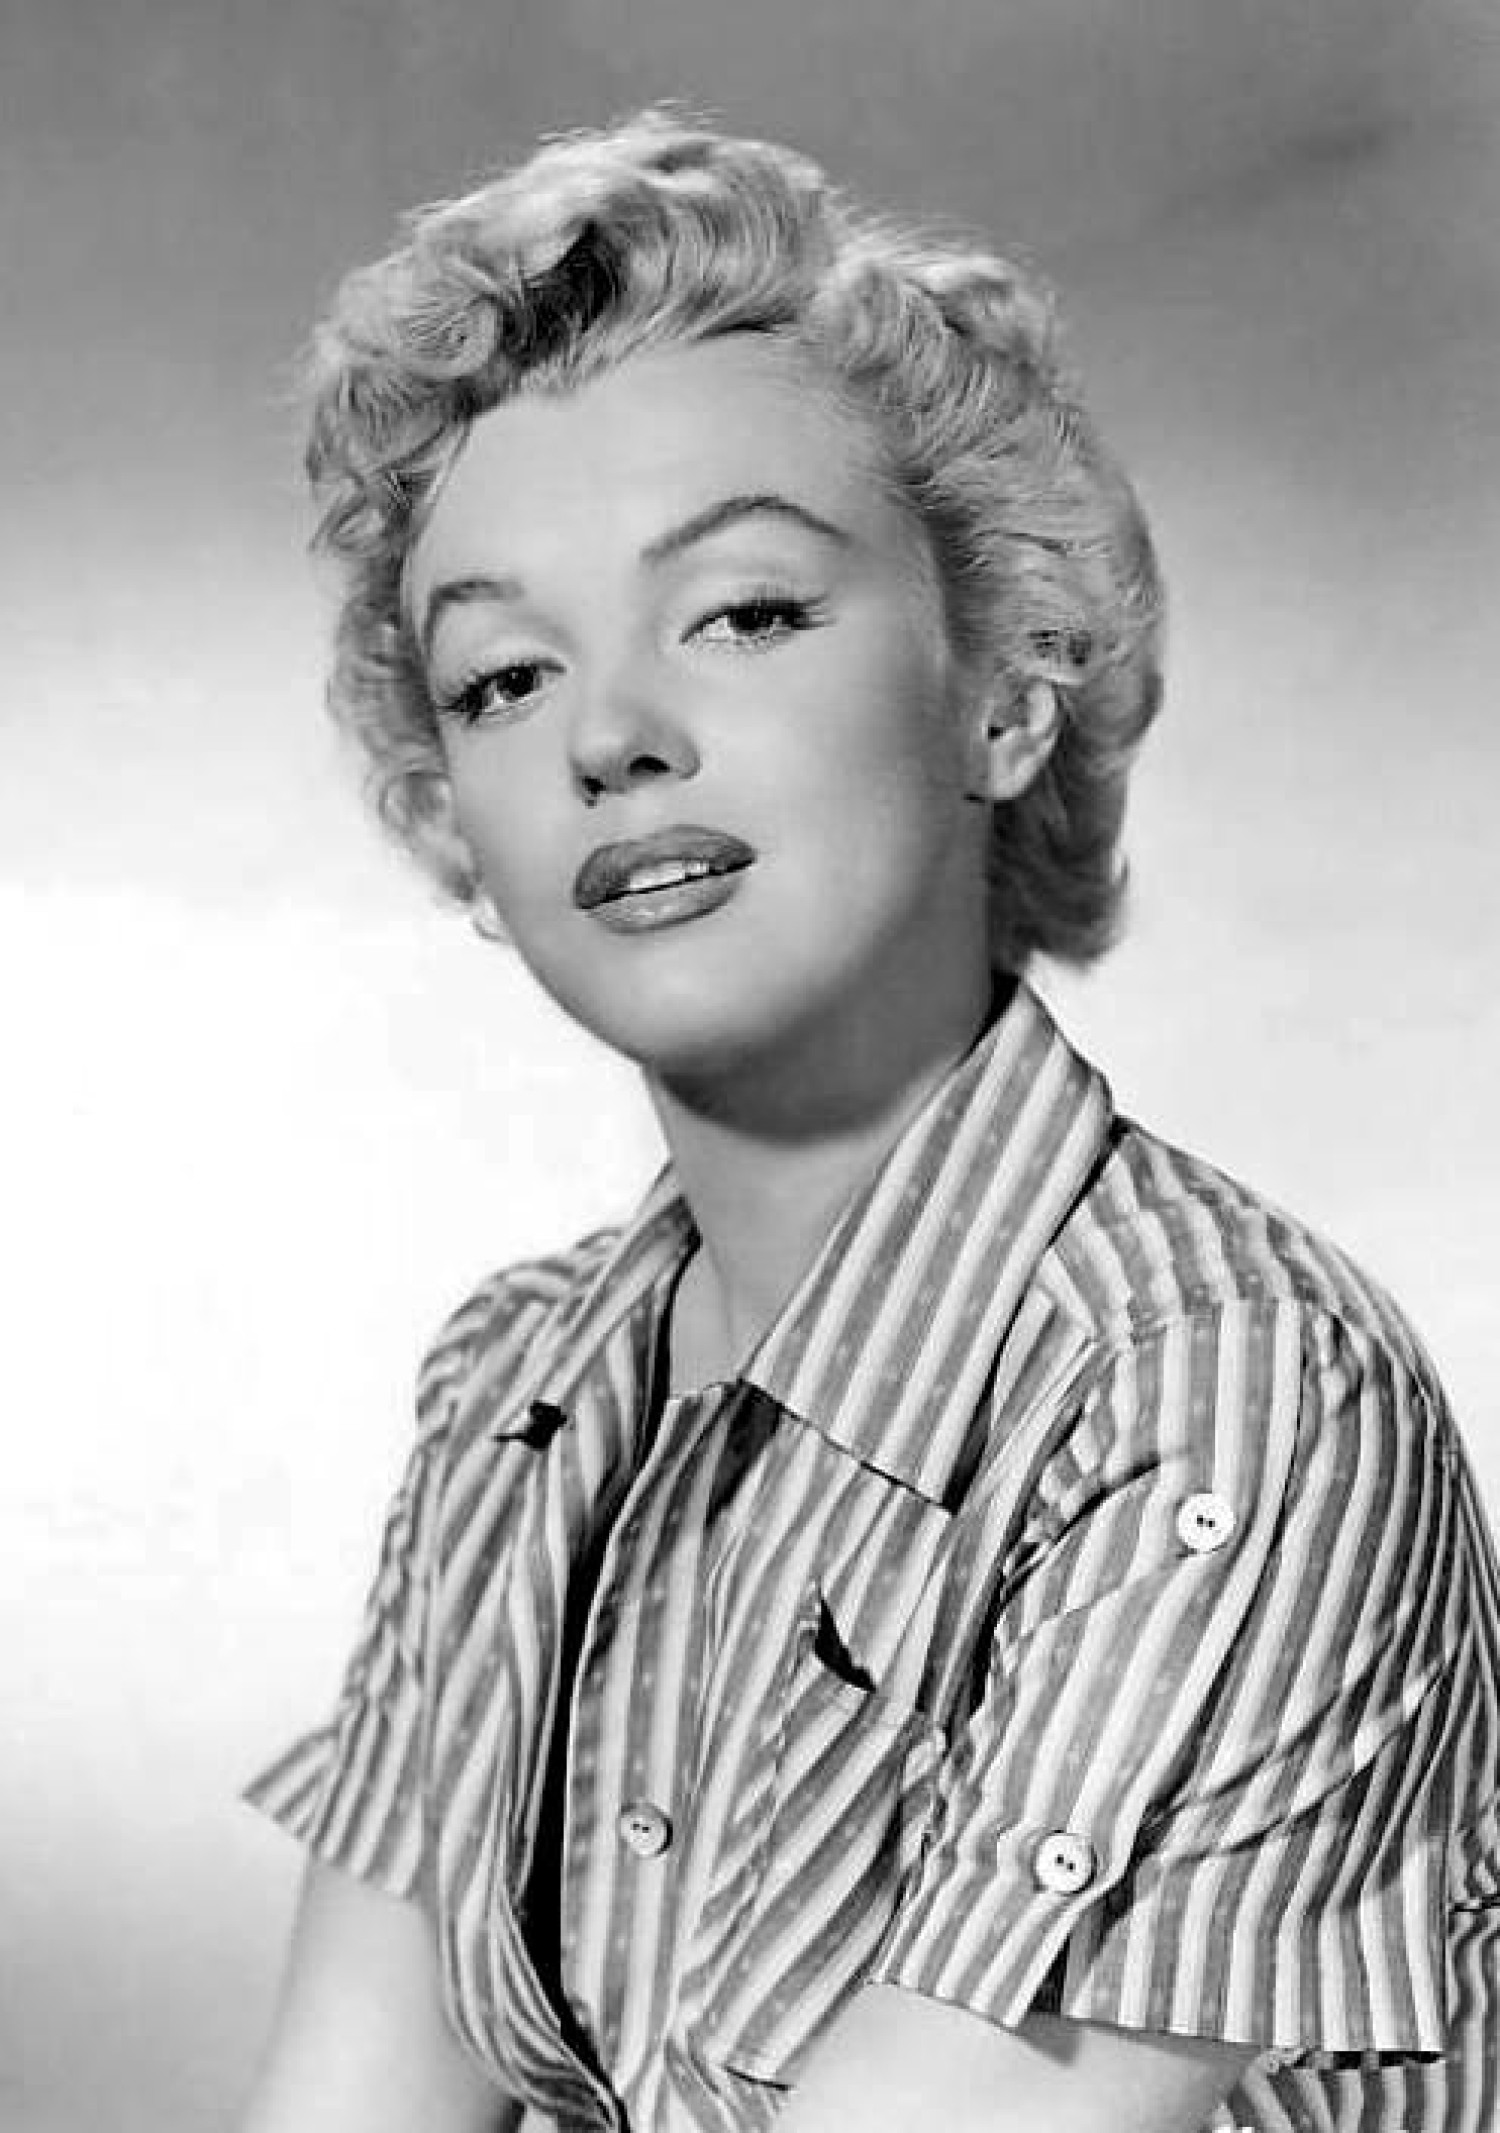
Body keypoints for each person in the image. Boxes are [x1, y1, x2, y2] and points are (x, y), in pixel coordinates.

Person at [239, 111, 1499, 2133]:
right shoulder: (515, 1394)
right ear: (451, 817)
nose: (607, 733)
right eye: (501, 675)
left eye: (743, 610)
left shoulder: (1227, 1393)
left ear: (1006, 691)